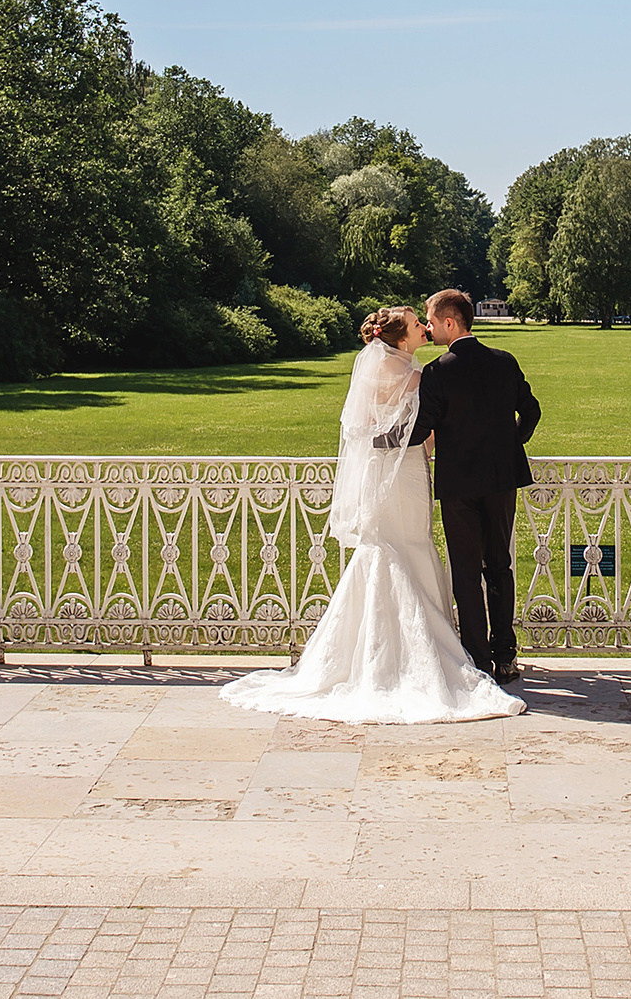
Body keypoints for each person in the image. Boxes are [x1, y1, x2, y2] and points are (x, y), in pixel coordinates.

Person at [219, 307, 523, 723]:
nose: (424, 328)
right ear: (401, 338)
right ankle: (466, 654)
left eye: (426, 321)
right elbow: (425, 433)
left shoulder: (399, 373)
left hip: (380, 473)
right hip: (410, 474)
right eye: (418, 324)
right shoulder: (420, 376)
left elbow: (371, 429)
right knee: (426, 550)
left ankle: (383, 653)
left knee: (390, 549)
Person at [412, 287, 541, 685]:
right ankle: (506, 657)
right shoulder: (504, 362)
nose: (429, 328)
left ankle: (477, 660)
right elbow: (531, 411)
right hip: (502, 479)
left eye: (431, 321)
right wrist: (510, 442)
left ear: (450, 322)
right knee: (499, 566)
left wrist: (383, 440)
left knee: (466, 572)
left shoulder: (437, 372)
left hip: (458, 484)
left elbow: (420, 428)